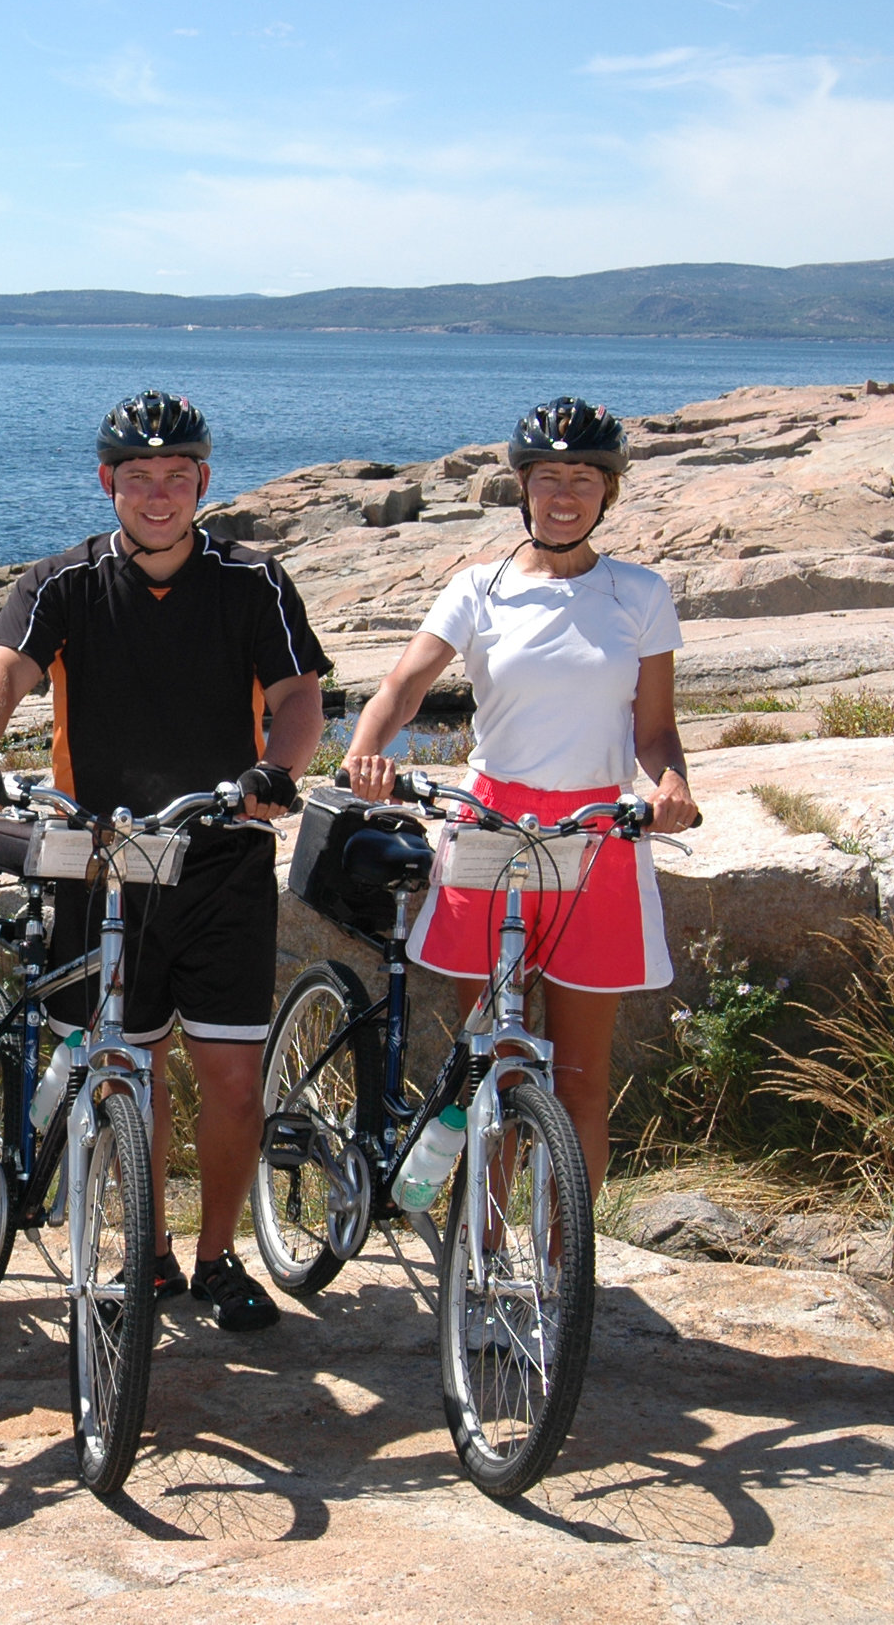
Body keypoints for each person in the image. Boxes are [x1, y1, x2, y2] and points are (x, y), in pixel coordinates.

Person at [0, 392, 329, 1333]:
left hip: (219, 853)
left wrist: (278, 769)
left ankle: (217, 1254)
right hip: (102, 857)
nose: (158, 495)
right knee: (128, 1070)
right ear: (107, 482)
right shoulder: (59, 583)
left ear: (203, 481)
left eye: (177, 477)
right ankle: (145, 1253)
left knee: (233, 1080)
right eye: (139, 477)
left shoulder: (253, 580)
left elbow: (298, 693)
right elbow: (2, 673)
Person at [342, 398, 699, 1200]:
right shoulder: (480, 588)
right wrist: (368, 749)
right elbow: (403, 685)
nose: (563, 495)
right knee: (493, 1056)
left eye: (583, 478)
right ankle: (487, 1254)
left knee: (578, 1077)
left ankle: (564, 1271)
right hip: (492, 822)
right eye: (547, 478)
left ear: (608, 491)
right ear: (522, 486)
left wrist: (671, 783)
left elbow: (656, 730)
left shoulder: (639, 595)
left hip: (596, 830)